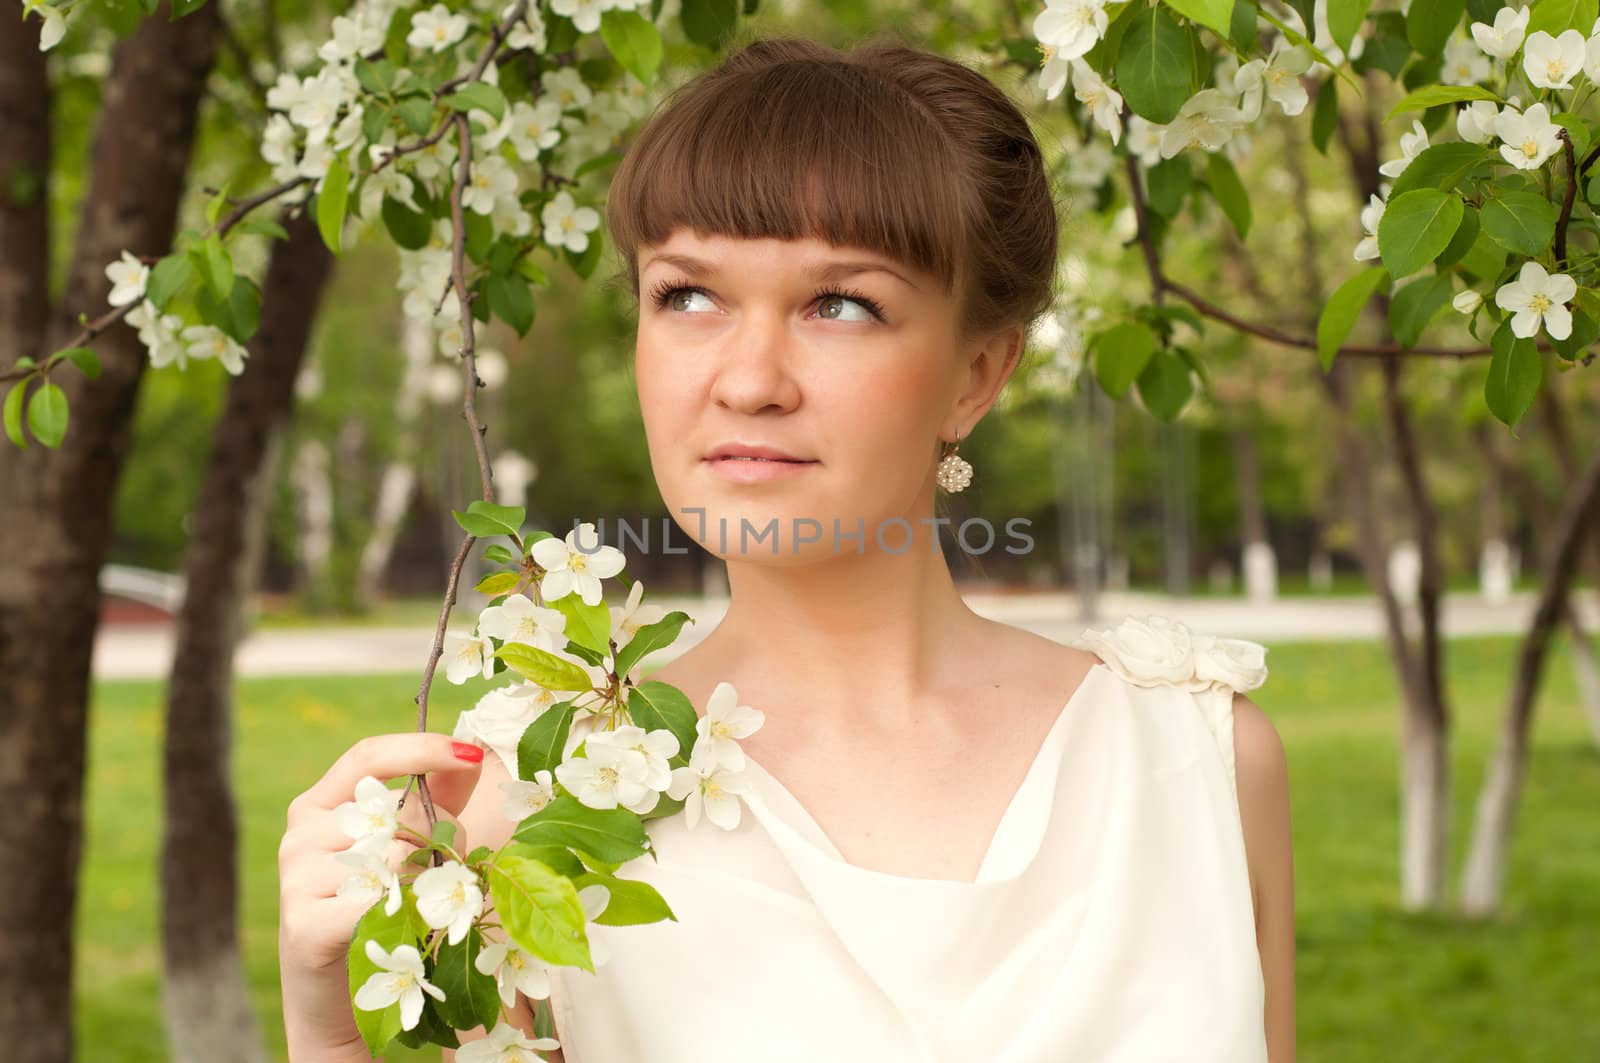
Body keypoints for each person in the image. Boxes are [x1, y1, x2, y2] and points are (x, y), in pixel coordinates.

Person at [278, 31, 1296, 1062]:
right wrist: (329, 1036)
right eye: (687, 295)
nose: (749, 378)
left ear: (976, 374)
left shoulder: (1191, 763)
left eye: (839, 304)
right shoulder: (547, 801)